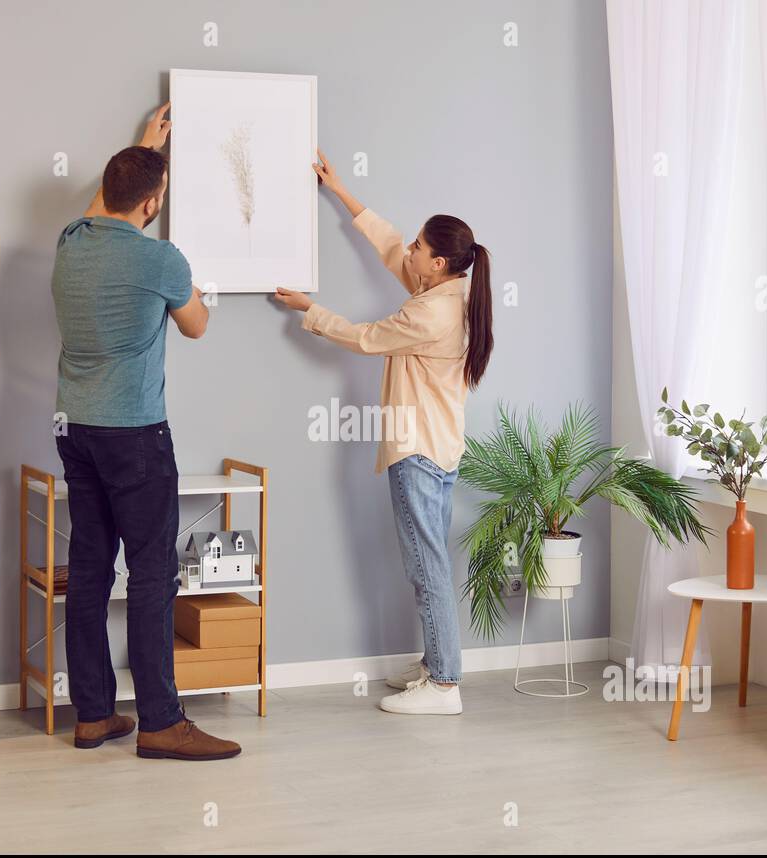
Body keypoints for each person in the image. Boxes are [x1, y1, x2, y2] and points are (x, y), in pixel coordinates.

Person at [272, 151, 494, 716]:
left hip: (417, 448)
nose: (412, 250)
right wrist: (340, 190)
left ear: (439, 263)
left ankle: (444, 685)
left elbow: (366, 337)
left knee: (426, 566)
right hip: (439, 447)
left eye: (422, 247)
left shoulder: (433, 313)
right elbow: (392, 244)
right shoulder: (452, 291)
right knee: (430, 559)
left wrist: (308, 309)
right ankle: (434, 662)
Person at [50, 103, 240, 760]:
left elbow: (106, 202)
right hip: (134, 434)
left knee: (90, 569)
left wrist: (140, 150)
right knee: (154, 574)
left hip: (74, 430)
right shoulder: (162, 259)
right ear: (154, 202)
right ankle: (161, 720)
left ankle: (94, 715)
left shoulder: (70, 242)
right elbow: (197, 325)